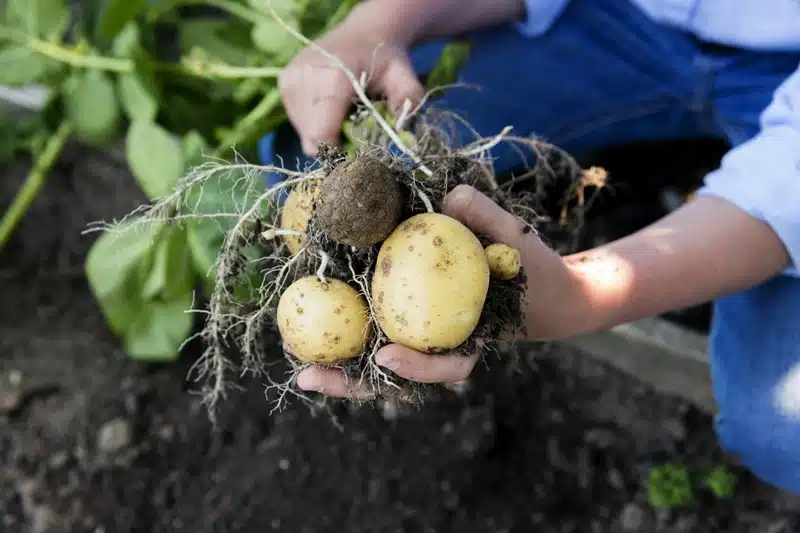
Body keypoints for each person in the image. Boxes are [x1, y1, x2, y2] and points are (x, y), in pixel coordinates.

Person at [259, 0, 800, 494]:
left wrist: (583, 295)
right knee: (308, 157)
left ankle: (662, 176)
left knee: (782, 433)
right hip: (621, 18)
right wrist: (382, 22)